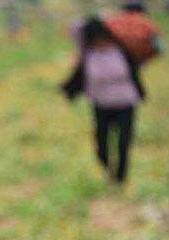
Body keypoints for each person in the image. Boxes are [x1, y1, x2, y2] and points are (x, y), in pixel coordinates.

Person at [62, 17, 146, 184]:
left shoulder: (121, 51)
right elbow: (74, 28)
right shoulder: (88, 55)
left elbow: (135, 72)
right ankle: (108, 168)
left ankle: (120, 178)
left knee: (123, 142)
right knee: (101, 145)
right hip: (101, 105)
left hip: (125, 103)